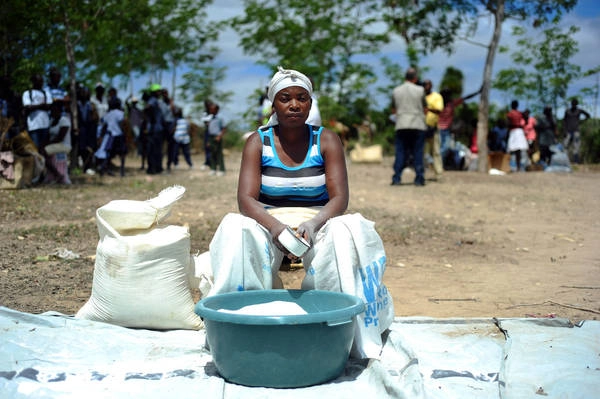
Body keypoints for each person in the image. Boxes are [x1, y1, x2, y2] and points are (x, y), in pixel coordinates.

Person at [204, 66, 394, 359]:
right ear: (274, 104)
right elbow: (246, 200)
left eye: (302, 98)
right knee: (235, 227)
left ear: (310, 103)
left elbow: (340, 198)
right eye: (285, 98)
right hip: (268, 221)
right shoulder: (258, 142)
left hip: (317, 220)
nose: (294, 105)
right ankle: (240, 322)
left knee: (349, 230)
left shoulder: (326, 139)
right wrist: (277, 228)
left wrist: (315, 223)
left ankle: (340, 325)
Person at [391, 67, 427, 186]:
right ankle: (419, 178)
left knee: (400, 152)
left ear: (405, 77)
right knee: (418, 152)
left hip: (401, 124)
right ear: (415, 78)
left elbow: (393, 109)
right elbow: (425, 109)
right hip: (417, 124)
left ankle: (396, 178)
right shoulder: (420, 90)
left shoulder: (396, 90)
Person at [438, 86, 481, 159]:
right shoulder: (438, 103)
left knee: (446, 147)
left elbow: (466, 97)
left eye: (448, 94)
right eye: (445, 94)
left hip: (447, 129)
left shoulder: (452, 103)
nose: (447, 96)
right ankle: (437, 162)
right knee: (439, 146)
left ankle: (439, 161)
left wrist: (477, 92)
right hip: (438, 128)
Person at [21, 73, 52, 150]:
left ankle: (43, 162)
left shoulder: (46, 93)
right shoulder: (27, 93)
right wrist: (42, 105)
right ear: (33, 81)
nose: (41, 83)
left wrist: (35, 106)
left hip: (45, 124)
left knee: (44, 148)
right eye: (39, 81)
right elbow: (28, 107)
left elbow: (49, 106)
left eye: (42, 81)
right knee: (35, 148)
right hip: (33, 126)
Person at [43, 100, 72, 185]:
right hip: (55, 145)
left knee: (43, 152)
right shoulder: (52, 121)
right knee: (40, 151)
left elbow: (60, 138)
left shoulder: (64, 120)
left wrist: (46, 144)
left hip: (64, 145)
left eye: (53, 110)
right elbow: (48, 137)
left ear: (59, 110)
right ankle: (49, 175)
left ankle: (57, 174)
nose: (51, 112)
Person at [97, 97, 127, 176]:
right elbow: (123, 124)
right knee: (122, 154)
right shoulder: (120, 113)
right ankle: (122, 172)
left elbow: (103, 123)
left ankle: (103, 167)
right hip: (119, 135)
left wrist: (101, 136)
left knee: (109, 154)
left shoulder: (108, 114)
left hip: (110, 136)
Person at [423, 79, 444, 181]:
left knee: (436, 152)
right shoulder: (421, 96)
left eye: (427, 84)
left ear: (431, 85)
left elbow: (439, 110)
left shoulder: (437, 97)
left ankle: (438, 174)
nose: (425, 86)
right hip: (421, 127)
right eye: (424, 85)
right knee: (421, 152)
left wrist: (428, 109)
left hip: (432, 127)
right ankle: (421, 173)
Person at [562, 99, 590, 164]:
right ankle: (565, 161)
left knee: (576, 146)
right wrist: (564, 130)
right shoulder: (567, 111)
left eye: (575, 104)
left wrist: (581, 121)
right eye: (573, 104)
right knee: (565, 145)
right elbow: (564, 121)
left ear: (576, 104)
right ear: (571, 104)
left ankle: (576, 161)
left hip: (576, 131)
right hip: (568, 131)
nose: (574, 105)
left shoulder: (579, 111)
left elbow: (588, 115)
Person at [506, 100, 528, 172]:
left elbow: (508, 124)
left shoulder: (510, 113)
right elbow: (526, 118)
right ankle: (517, 167)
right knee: (517, 151)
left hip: (514, 131)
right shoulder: (519, 113)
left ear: (511, 105)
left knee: (512, 149)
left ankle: (514, 167)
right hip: (519, 131)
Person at [206, 102, 226, 176]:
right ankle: (213, 168)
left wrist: (219, 136)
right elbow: (209, 129)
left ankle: (222, 169)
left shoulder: (220, 118)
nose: (211, 111)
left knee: (218, 153)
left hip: (217, 137)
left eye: (212, 109)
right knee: (212, 153)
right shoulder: (210, 118)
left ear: (217, 110)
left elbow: (224, 128)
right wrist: (208, 140)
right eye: (210, 109)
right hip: (211, 137)